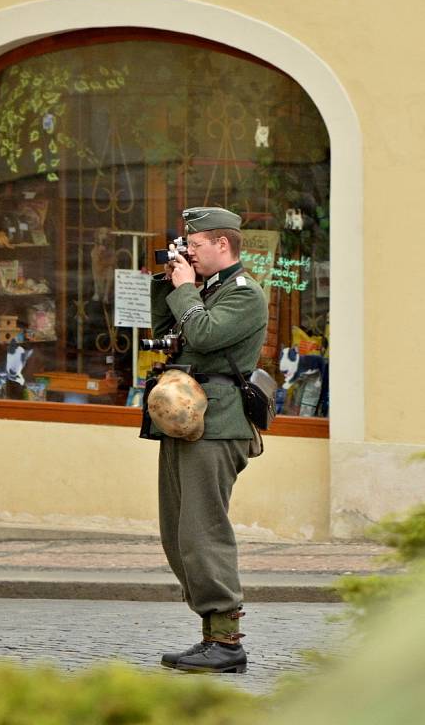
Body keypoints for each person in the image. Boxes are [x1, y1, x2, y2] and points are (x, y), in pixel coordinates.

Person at [146, 206, 267, 673]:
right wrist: (168, 283)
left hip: (218, 426)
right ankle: (210, 635)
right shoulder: (205, 289)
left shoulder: (243, 294)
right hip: (182, 421)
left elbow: (202, 331)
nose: (188, 253)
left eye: (195, 246)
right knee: (178, 533)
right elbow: (166, 334)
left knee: (204, 532)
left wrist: (185, 290)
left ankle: (228, 642)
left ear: (223, 244)